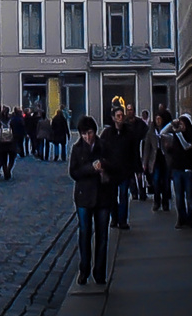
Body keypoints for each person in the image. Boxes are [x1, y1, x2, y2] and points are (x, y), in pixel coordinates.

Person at [69, 116, 113, 285]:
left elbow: (115, 164)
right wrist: (91, 168)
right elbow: (74, 172)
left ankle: (100, 272)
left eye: (89, 133)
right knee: (84, 234)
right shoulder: (77, 149)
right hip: (84, 197)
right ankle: (84, 269)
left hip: (103, 196)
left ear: (95, 131)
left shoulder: (103, 146)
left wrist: (103, 165)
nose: (87, 137)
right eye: (84, 134)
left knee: (102, 236)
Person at [103, 107, 144, 230]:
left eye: (121, 115)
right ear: (113, 118)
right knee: (112, 197)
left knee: (124, 195)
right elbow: (102, 151)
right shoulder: (107, 134)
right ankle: (114, 218)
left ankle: (123, 220)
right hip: (111, 171)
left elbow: (135, 152)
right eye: (118, 116)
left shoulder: (130, 133)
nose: (120, 118)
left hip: (125, 171)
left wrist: (138, 169)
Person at [163, 114, 192, 228]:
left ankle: (190, 219)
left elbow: (186, 146)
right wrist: (171, 124)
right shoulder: (176, 136)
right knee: (178, 197)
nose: (181, 126)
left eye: (183, 124)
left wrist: (178, 133)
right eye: (180, 124)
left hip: (188, 170)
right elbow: (162, 133)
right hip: (177, 169)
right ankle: (181, 218)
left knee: (190, 197)